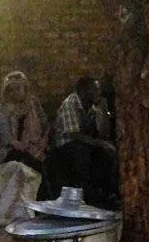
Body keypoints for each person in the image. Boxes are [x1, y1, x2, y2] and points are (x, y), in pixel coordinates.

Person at [0, 70, 48, 226]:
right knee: (23, 165)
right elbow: (7, 138)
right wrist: (28, 148)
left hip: (36, 147)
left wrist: (43, 142)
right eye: (11, 89)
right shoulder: (3, 110)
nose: (15, 93)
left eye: (18, 88)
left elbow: (46, 124)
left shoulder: (33, 104)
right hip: (12, 150)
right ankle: (17, 210)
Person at [48, 76, 118, 206]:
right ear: (83, 91)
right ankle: (85, 199)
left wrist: (103, 110)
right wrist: (101, 143)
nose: (98, 93)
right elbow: (74, 134)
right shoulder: (70, 103)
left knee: (106, 154)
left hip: (82, 143)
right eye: (95, 89)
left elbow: (103, 133)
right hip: (64, 145)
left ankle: (105, 196)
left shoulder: (91, 107)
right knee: (81, 154)